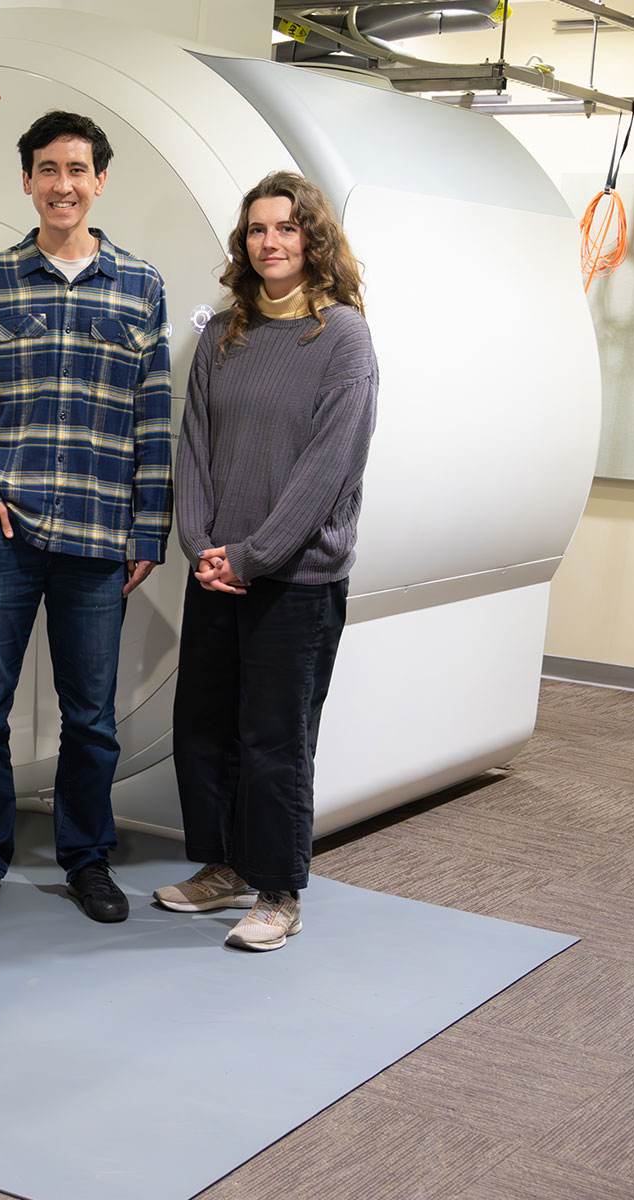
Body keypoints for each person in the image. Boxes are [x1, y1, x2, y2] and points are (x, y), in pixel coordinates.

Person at [0, 110, 171, 923]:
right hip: (3, 535)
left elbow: (154, 419)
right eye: (47, 170)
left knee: (92, 719)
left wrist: (148, 529)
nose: (62, 185)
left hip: (99, 537)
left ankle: (87, 860)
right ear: (28, 181)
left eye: (77, 170)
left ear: (99, 180)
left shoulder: (140, 286)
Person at [151, 171, 378, 951]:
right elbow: (195, 444)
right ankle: (224, 868)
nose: (269, 242)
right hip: (219, 571)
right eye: (257, 229)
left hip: (295, 578)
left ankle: (279, 891)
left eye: (286, 228)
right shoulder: (224, 333)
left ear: (314, 240)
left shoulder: (342, 337)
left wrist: (252, 555)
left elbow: (329, 467)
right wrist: (200, 544)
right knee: (204, 727)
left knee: (275, 739)